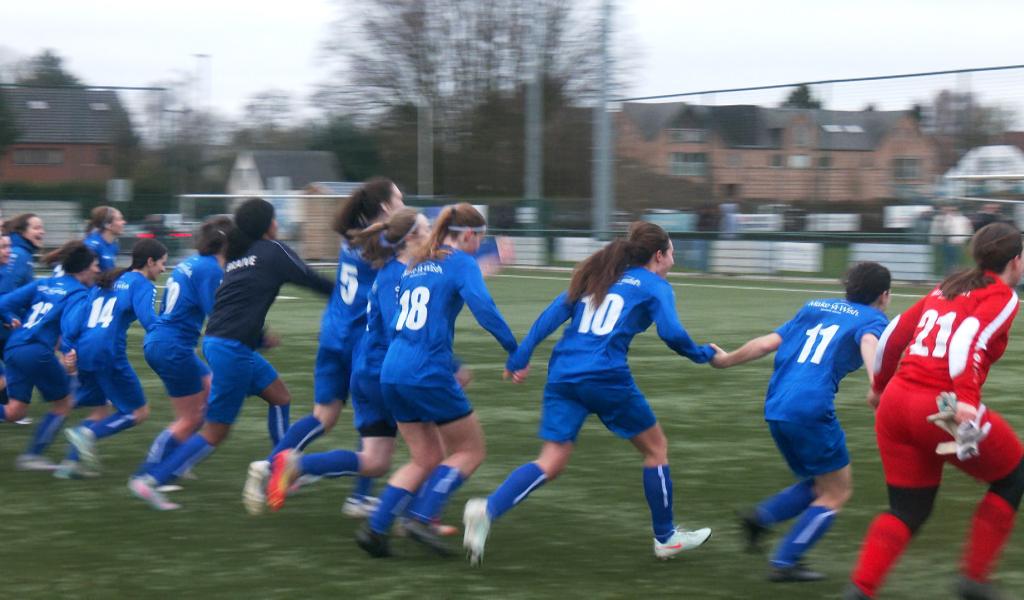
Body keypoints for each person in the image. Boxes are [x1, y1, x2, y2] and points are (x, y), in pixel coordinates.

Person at [460, 221, 715, 566]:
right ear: (658, 255)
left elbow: (552, 314)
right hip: (605, 376)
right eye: (672, 251)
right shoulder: (655, 286)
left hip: (563, 375)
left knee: (550, 461)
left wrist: (521, 355)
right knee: (656, 449)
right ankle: (666, 537)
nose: (674, 258)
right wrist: (703, 354)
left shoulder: (599, 275)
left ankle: (487, 510)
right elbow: (671, 333)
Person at [843, 222, 1024, 600]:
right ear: (1016, 260)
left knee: (908, 509)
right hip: (941, 405)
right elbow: (964, 343)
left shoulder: (948, 285)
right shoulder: (1004, 295)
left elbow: (893, 335)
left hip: (896, 405)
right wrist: (967, 405)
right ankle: (974, 579)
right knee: (1012, 477)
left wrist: (879, 388)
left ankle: (859, 591)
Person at [129, 198, 334, 511]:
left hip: (223, 343)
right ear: (269, 224)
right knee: (215, 431)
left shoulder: (239, 256)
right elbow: (311, 279)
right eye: (275, 219)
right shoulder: (270, 250)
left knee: (280, 396)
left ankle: (282, 467)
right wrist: (351, 298)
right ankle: (153, 478)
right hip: (232, 347)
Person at [710, 262, 891, 582]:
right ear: (884, 295)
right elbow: (869, 346)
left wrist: (725, 360)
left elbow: (767, 343)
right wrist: (878, 388)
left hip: (777, 407)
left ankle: (762, 517)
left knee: (820, 483)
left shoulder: (814, 306)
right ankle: (785, 561)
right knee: (837, 491)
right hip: (810, 411)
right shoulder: (874, 318)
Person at [356, 203, 518, 558]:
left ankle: (376, 528)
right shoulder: (459, 260)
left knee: (424, 457)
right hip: (426, 369)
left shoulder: (415, 264)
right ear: (470, 236)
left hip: (392, 370)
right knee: (471, 450)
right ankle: (420, 514)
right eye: (480, 239)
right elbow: (484, 308)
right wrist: (514, 349)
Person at [252, 178, 404, 516]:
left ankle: (269, 465)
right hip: (359, 339)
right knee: (377, 420)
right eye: (400, 199)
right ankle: (359, 497)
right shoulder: (382, 241)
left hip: (333, 332)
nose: (404, 205)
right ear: (384, 207)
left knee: (323, 416)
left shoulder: (354, 235)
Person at [55, 239, 167, 478]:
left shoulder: (106, 280)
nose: (163, 269)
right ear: (150, 262)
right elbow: (150, 322)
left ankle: (70, 464)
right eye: (162, 263)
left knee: (99, 411)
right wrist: (172, 332)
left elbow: (75, 321)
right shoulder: (142, 284)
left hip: (84, 350)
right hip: (107, 353)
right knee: (137, 412)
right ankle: (89, 435)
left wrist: (68, 349)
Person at [133, 217, 233, 479]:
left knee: (210, 390)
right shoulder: (210, 269)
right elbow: (217, 314)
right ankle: (151, 472)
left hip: (165, 341)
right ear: (226, 243)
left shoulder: (191, 262)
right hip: (172, 345)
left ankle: (178, 459)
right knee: (192, 418)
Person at [0, 241, 99, 470]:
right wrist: (68, 352)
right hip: (36, 351)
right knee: (64, 403)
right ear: (83, 269)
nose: (96, 269)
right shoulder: (79, 293)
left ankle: (32, 457)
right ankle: (33, 456)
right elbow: (69, 328)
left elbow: (2, 303)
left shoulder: (44, 283)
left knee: (15, 410)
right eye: (94, 265)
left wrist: (8, 317)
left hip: (14, 347)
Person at [930, 205, 973, 275]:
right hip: (948, 242)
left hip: (960, 242)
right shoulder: (943, 218)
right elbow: (942, 229)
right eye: (949, 210)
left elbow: (968, 229)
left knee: (959, 259)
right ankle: (949, 273)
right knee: (948, 259)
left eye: (952, 210)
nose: (950, 211)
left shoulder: (963, 219)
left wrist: (965, 239)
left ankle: (959, 273)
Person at [84, 205, 127, 272]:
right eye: (119, 219)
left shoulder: (114, 245)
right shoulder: (91, 246)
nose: (124, 222)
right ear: (108, 225)